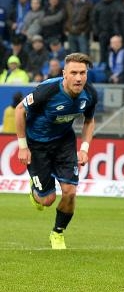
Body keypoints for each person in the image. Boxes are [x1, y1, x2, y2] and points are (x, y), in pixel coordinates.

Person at [14, 53, 97, 250]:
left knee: (70, 192)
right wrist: (23, 146)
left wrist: (84, 149)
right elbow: (19, 110)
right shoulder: (48, 90)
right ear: (64, 74)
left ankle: (57, 232)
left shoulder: (90, 94)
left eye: (83, 73)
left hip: (64, 143)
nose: (78, 78)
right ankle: (36, 189)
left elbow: (89, 120)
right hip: (37, 143)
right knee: (47, 200)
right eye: (74, 73)